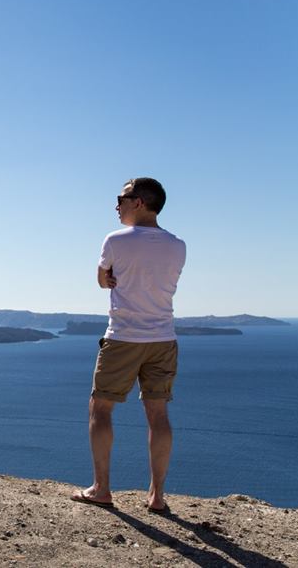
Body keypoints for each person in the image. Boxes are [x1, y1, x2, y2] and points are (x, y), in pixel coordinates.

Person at [71, 177, 186, 513]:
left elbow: (103, 279)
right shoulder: (178, 245)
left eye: (121, 198)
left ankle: (101, 489)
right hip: (163, 338)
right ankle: (157, 496)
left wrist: (108, 275)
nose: (116, 205)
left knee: (100, 408)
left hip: (123, 337)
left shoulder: (115, 240)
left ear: (139, 202)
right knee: (158, 413)